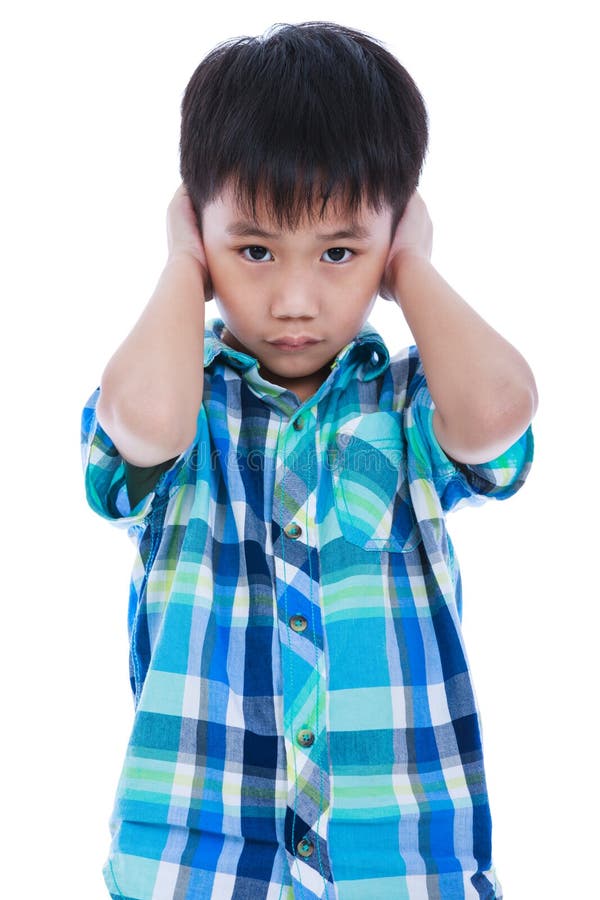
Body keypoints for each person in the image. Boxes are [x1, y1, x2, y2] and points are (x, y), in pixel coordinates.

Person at [80, 20, 537, 900]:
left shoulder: (408, 406)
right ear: (202, 235)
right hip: (197, 868)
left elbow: (499, 414)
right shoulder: (182, 396)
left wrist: (412, 266)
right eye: (253, 250)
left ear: (392, 239)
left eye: (340, 253)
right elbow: (139, 420)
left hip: (403, 868)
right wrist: (180, 261)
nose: (296, 298)